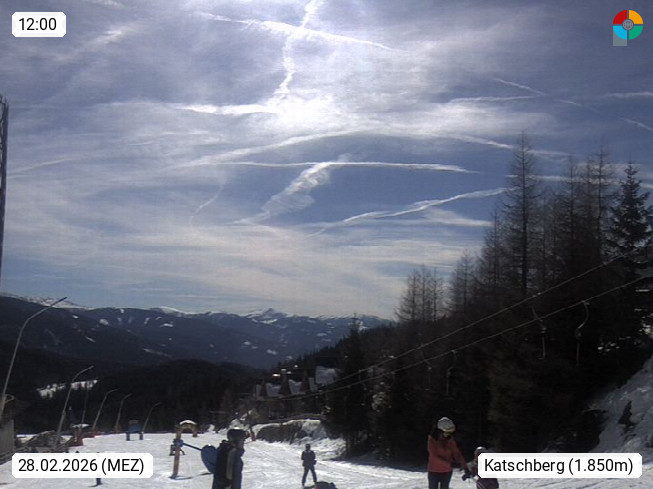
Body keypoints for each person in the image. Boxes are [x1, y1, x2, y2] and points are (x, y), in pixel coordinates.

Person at [427, 417, 469, 489]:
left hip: (447, 472)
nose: (449, 434)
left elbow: (456, 453)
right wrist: (450, 464)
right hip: (434, 471)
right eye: (447, 432)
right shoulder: (432, 440)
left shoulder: (450, 439)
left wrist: (465, 467)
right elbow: (434, 457)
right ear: (441, 430)